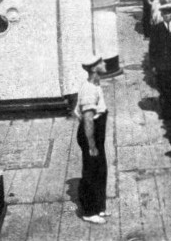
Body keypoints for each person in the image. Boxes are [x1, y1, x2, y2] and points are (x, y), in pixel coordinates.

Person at [74, 54, 109, 224]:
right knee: (91, 171)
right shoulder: (89, 90)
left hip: (96, 134)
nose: (105, 63)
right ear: (94, 68)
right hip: (91, 135)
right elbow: (88, 119)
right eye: (101, 62)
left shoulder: (95, 84)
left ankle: (99, 206)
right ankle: (89, 210)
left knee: (100, 169)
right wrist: (92, 145)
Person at [149, 3, 171, 119]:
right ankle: (166, 112)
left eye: (169, 13)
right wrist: (153, 65)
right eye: (165, 14)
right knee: (164, 87)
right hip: (161, 64)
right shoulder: (157, 29)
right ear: (162, 15)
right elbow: (152, 48)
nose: (167, 16)